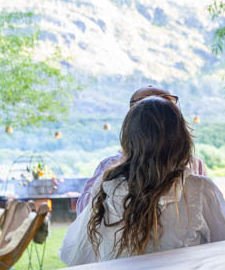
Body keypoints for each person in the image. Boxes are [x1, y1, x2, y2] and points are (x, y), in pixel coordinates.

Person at [60, 96, 225, 265]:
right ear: (181, 140)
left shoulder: (107, 185)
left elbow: (75, 254)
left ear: (128, 141)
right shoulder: (200, 189)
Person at [76, 85, 207, 214]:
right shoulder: (109, 168)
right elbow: (85, 210)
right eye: (145, 104)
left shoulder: (194, 164)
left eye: (165, 105)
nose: (155, 112)